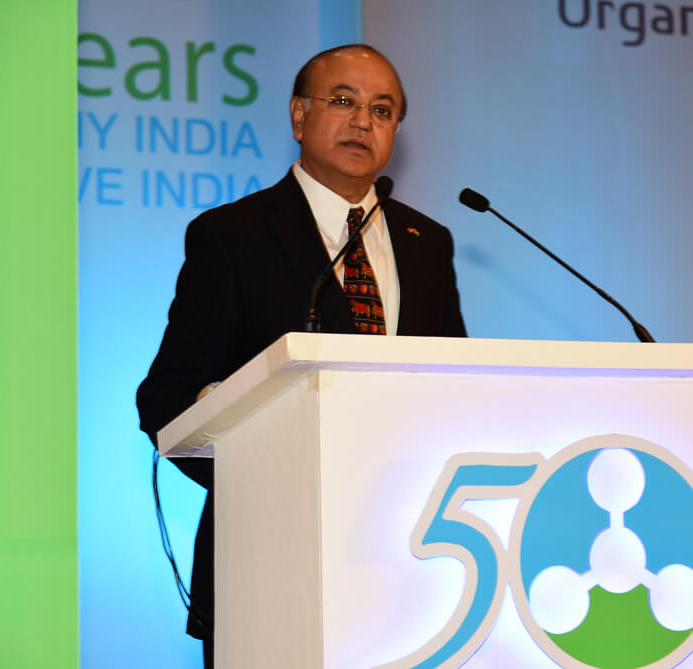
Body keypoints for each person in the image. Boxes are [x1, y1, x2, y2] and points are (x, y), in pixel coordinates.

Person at [135, 44, 466, 667]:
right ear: (298, 116)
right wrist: (262, 476)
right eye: (342, 101)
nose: (362, 121)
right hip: (269, 561)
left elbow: (454, 388)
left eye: (383, 110)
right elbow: (167, 397)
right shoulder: (232, 235)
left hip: (411, 566)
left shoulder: (428, 242)